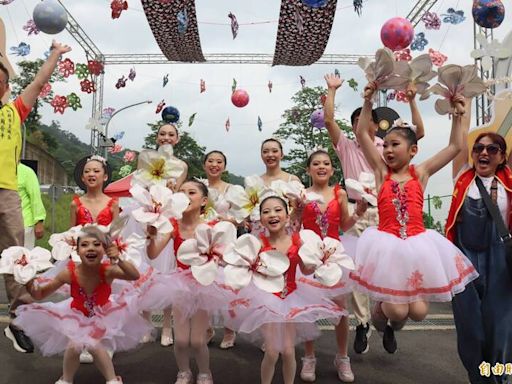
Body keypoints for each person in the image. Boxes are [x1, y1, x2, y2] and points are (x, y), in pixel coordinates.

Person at [350, 83, 477, 354]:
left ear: (413, 151)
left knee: (417, 313)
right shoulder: (380, 172)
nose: (387, 150)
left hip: (419, 245)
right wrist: (368, 99)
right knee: (396, 309)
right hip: (387, 245)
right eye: (385, 145)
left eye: (395, 144)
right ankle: (379, 316)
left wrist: (457, 114)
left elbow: (455, 145)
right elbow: (362, 133)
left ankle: (392, 326)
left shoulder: (421, 173)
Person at [323, 73, 426, 355]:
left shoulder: (387, 148)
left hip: (385, 214)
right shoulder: (345, 147)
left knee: (388, 269)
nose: (360, 125)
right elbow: (330, 121)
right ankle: (362, 323)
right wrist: (332, 90)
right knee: (357, 270)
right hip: (357, 212)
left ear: (374, 124)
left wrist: (413, 101)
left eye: (364, 121)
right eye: (355, 122)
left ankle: (388, 321)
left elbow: (417, 133)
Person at [226, 196, 346, 384]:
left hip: (291, 297)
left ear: (286, 215)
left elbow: (306, 270)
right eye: (266, 212)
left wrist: (319, 265)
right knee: (273, 352)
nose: (272, 215)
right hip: (266, 300)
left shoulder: (297, 240)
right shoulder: (258, 243)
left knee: (289, 351)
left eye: (277, 210)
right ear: (261, 218)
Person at [1, 40, 71, 354]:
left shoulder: (14, 111)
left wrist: (55, 53)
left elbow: (39, 82)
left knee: (16, 254)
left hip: (6, 192)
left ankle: (17, 318)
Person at [13, 226, 149, 384]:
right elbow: (40, 294)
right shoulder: (69, 273)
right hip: (76, 315)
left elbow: (134, 275)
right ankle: (66, 379)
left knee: (93, 345)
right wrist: (28, 280)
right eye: (84, 245)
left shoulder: (107, 271)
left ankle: (112, 380)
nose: (90, 248)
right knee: (74, 346)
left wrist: (119, 259)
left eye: (96, 244)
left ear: (105, 250)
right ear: (76, 251)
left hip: (103, 315)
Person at [447, 100, 512, 384]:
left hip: (501, 263)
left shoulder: (510, 183)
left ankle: (500, 379)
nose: (483, 152)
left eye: (492, 149)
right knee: (471, 330)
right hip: (465, 258)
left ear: (502, 157)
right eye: (479, 149)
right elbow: (457, 146)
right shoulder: (463, 177)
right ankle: (479, 378)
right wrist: (460, 114)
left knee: (500, 330)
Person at [298, 150, 367, 382]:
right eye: (316, 163)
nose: (321, 167)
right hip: (308, 256)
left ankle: (342, 356)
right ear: (308, 170)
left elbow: (345, 225)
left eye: (326, 163)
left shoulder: (340, 193)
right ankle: (309, 357)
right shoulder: (302, 194)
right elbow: (295, 225)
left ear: (332, 169)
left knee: (340, 308)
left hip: (334, 254)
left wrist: (358, 213)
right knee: (308, 308)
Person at [146, 180, 220, 384]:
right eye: (181, 192)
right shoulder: (173, 227)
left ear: (204, 201)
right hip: (179, 284)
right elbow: (153, 254)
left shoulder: (211, 227)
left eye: (192, 192)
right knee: (180, 340)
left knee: (197, 340)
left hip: (204, 285)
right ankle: (184, 371)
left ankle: (205, 372)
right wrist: (151, 237)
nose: (185, 196)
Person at [202, 150, 237, 349]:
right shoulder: (199, 187)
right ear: (205, 164)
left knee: (227, 287)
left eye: (219, 161)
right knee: (205, 285)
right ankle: (207, 328)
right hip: (205, 240)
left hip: (226, 239)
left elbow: (241, 216)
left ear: (224, 166)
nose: (215, 164)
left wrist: (227, 219)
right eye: (211, 161)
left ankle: (230, 330)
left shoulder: (232, 189)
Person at [71, 155, 119, 227]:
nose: (91, 174)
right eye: (87, 171)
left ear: (105, 177)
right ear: (82, 178)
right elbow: (71, 234)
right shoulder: (75, 204)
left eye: (96, 171)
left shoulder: (114, 204)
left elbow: (116, 234)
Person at [17, 163, 46, 249]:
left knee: (24, 258)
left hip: (24, 226)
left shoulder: (27, 172)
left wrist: (39, 222)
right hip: (4, 224)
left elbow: (35, 198)